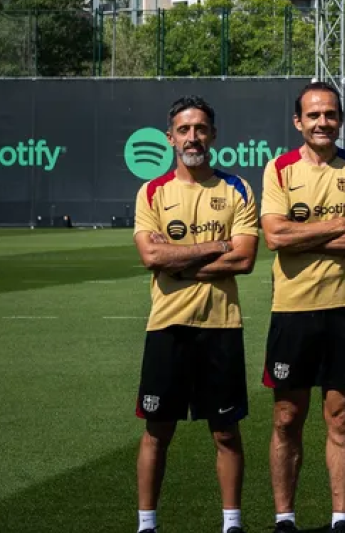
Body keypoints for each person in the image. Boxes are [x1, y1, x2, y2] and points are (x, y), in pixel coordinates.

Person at [131, 95, 260, 533]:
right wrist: (215, 245)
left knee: (225, 432)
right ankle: (147, 524)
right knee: (157, 431)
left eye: (201, 129)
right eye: (184, 130)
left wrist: (179, 258)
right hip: (167, 326)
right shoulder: (152, 191)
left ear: (214, 135)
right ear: (170, 139)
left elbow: (244, 260)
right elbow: (151, 256)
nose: (193, 137)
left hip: (220, 326)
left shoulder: (236, 188)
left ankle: (232, 524)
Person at [259, 81, 345, 533]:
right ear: (299, 122)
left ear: (340, 119)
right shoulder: (279, 169)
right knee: (287, 417)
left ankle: (341, 518)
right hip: (292, 309)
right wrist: (340, 223)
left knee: (342, 416)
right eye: (313, 116)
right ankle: (285, 517)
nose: (322, 122)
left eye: (330, 114)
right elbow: (274, 237)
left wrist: (304, 232)